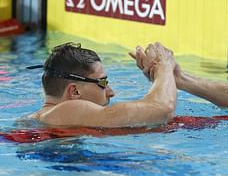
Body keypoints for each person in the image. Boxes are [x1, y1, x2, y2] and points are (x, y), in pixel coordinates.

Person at [27, 41, 177, 127]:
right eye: (103, 82)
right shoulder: (66, 110)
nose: (111, 92)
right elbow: (163, 109)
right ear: (75, 92)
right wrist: (164, 65)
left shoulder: (44, 118)